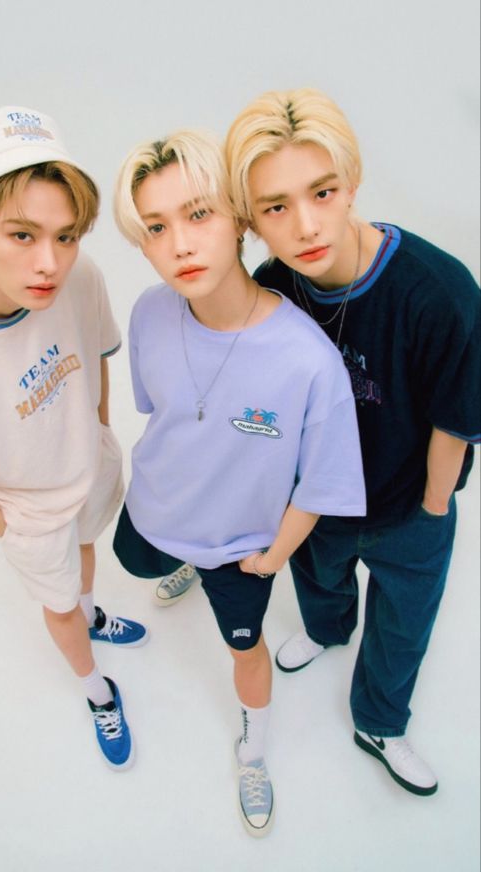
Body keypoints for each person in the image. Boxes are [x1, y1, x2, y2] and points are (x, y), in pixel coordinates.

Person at [225, 88, 481, 796]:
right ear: (251, 221)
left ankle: (380, 722)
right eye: (276, 207)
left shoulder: (440, 291)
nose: (306, 224)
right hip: (318, 503)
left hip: (408, 506)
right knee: (320, 583)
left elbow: (455, 418)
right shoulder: (272, 288)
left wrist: (431, 511)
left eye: (323, 191)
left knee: (401, 627)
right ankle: (327, 632)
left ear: (352, 182)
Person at [112, 129, 365, 836]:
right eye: (156, 228)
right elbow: (162, 416)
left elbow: (322, 485)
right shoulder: (148, 314)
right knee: (133, 561)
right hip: (157, 510)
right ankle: (180, 564)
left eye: (199, 215)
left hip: (242, 546)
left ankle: (253, 746)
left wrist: (273, 557)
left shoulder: (308, 363)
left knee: (243, 649)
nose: (181, 245)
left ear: (238, 218)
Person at [0, 105, 148, 770]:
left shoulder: (80, 277)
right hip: (29, 512)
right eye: (22, 235)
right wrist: (14, 529)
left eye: (66, 235)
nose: (49, 262)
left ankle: (92, 611)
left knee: (86, 558)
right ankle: (95, 688)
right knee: (58, 607)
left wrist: (102, 430)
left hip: (87, 465)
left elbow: (98, 350)